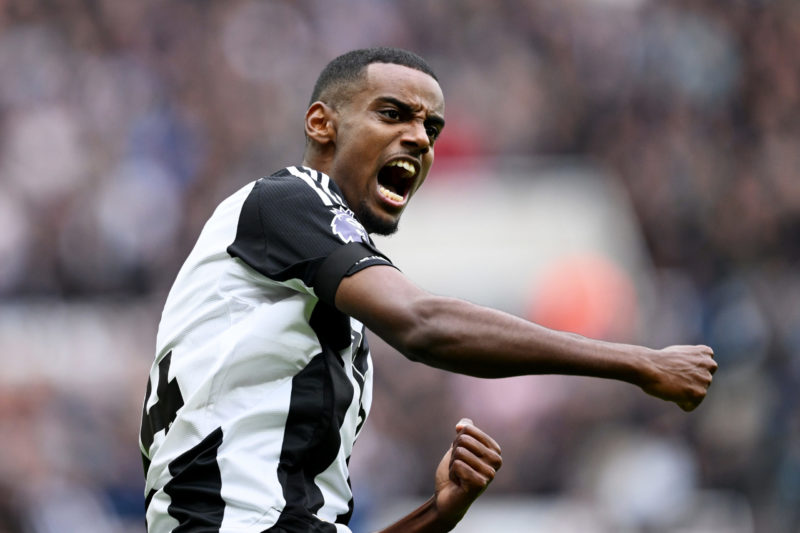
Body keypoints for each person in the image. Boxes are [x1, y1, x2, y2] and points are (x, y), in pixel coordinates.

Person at [139, 47, 716, 533]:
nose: (418, 138)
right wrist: (639, 363)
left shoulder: (299, 323)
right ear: (322, 123)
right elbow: (424, 324)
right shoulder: (286, 199)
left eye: (430, 127)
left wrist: (439, 513)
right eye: (393, 114)